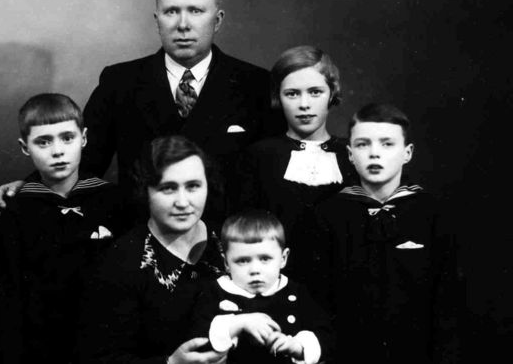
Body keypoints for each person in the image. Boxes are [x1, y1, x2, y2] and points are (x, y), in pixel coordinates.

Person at [0, 0, 282, 223]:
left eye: (195, 11)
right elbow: (83, 160)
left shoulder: (255, 83)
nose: (183, 24)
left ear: (217, 20)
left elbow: (272, 176)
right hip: (139, 240)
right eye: (171, 11)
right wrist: (29, 187)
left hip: (229, 245)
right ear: (157, 20)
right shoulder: (121, 82)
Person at [312, 103, 461, 363]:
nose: (374, 154)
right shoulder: (327, 215)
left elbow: (448, 304)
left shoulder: (433, 214)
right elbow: (318, 303)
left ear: (407, 153)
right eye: (363, 144)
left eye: (387, 144)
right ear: (350, 154)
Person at [0, 93, 122, 363]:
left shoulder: (113, 202)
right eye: (43, 142)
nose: (57, 151)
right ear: (24, 147)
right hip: (41, 348)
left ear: (84, 138)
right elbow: (9, 299)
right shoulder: (14, 212)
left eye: (67, 138)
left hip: (107, 342)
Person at [79, 135, 227, 364]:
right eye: (168, 188)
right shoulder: (121, 262)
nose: (183, 202)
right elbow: (101, 358)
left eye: (193, 186)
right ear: (145, 191)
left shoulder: (230, 241)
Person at [233, 45, 356, 280]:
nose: (304, 104)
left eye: (315, 92)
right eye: (292, 94)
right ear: (278, 97)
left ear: (332, 93)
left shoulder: (352, 154)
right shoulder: (259, 156)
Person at [189, 209, 332, 364]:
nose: (255, 270)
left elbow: (326, 335)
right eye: (243, 261)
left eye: (265, 259)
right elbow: (196, 339)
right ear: (226, 263)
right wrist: (238, 324)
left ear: (283, 258)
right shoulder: (216, 293)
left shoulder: (296, 293)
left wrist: (297, 347)